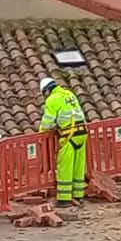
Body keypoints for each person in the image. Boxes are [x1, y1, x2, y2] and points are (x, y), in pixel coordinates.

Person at [38, 75, 87, 206]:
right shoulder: (69, 94)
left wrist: (41, 134)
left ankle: (64, 199)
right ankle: (79, 195)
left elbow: (48, 121)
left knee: (65, 166)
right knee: (78, 165)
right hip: (82, 132)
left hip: (68, 133)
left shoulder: (52, 99)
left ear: (47, 91)